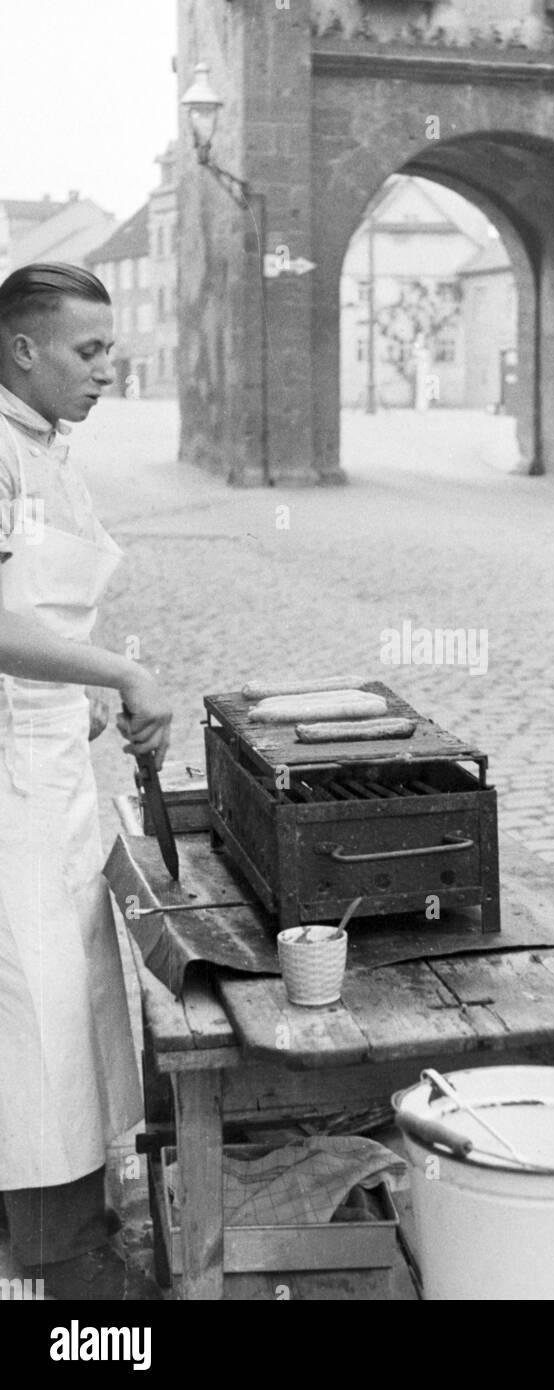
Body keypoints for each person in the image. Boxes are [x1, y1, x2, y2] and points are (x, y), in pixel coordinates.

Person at [0, 263, 172, 1300]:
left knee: (69, 985)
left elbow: (42, 621)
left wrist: (82, 691)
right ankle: (62, 1253)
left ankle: (68, 1213)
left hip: (49, 751)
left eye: (111, 349)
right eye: (88, 351)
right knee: (36, 999)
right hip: (6, 778)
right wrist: (119, 668)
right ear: (23, 348)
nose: (108, 369)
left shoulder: (48, 450)